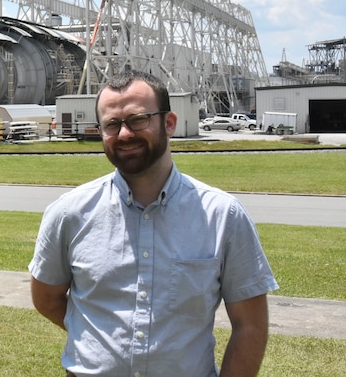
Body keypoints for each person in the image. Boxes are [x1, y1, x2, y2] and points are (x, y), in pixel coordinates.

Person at [29, 70, 278, 376]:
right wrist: (95, 334)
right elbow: (46, 298)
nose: (124, 134)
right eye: (112, 124)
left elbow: (250, 325)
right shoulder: (68, 213)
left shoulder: (222, 216)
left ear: (169, 123)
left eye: (137, 119)